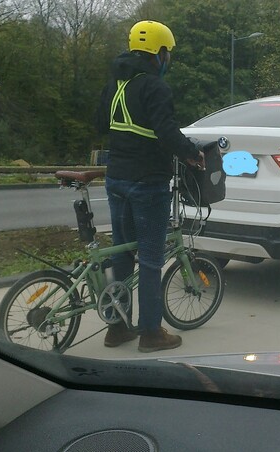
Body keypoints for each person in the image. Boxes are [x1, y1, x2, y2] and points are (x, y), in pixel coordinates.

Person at [95, 20, 203, 353]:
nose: (167, 59)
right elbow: (167, 132)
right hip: (148, 184)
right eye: (166, 53)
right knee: (152, 259)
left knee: (124, 255)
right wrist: (191, 154)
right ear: (159, 53)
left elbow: (101, 123)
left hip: (116, 180)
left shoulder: (117, 82)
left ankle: (117, 328)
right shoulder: (155, 87)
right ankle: (152, 333)